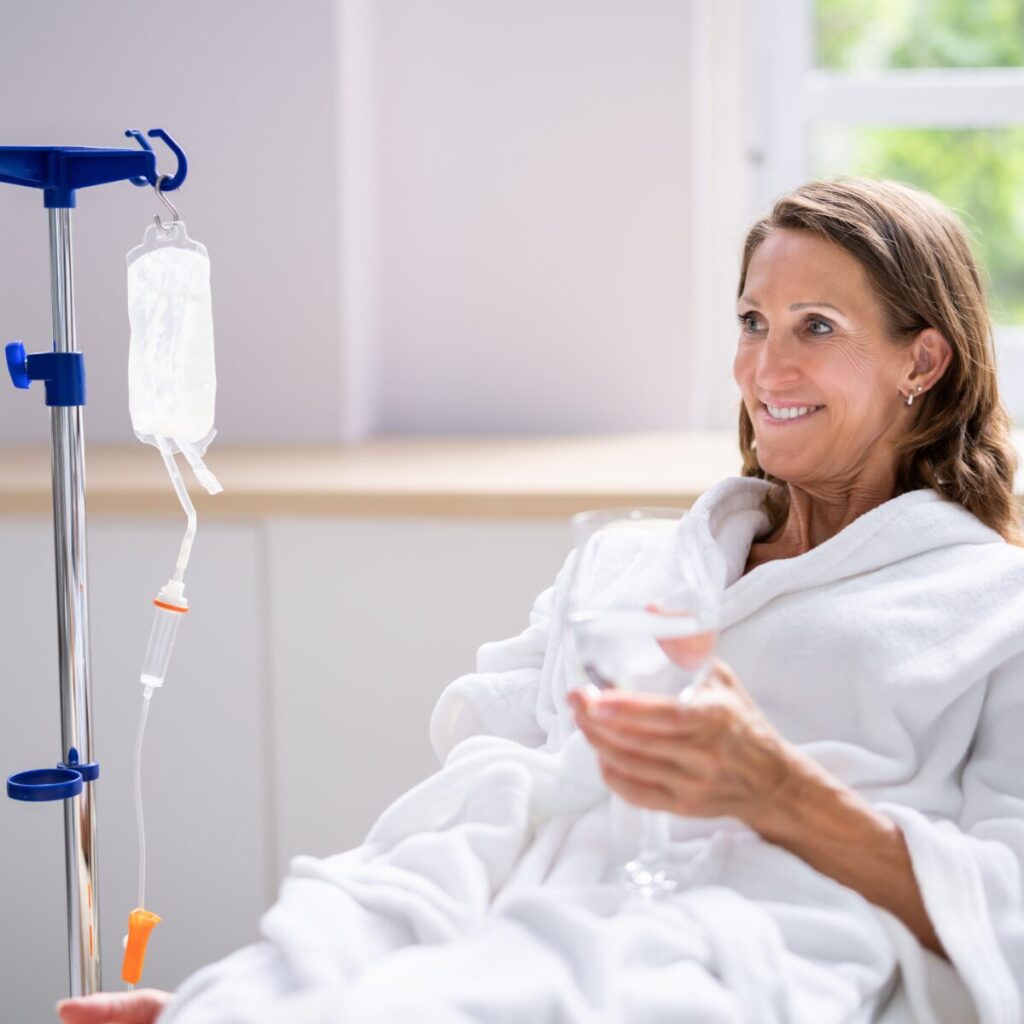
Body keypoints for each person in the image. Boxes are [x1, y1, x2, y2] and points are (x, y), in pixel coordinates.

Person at [58, 178, 1024, 1024]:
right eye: (752, 322)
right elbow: (480, 797)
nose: (766, 370)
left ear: (922, 362)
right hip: (513, 920)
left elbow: (1010, 913)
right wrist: (293, 991)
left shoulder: (988, 605)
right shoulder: (630, 564)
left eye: (817, 326)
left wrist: (779, 792)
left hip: (731, 950)